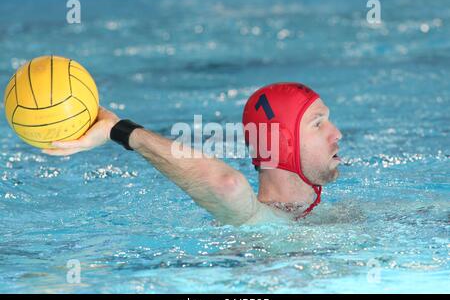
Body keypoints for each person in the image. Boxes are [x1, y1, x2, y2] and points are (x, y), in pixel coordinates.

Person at [42, 82, 342, 226]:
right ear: (281, 143)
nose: (336, 133)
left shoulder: (343, 214)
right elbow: (228, 186)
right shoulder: (255, 221)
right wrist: (119, 130)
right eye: (318, 124)